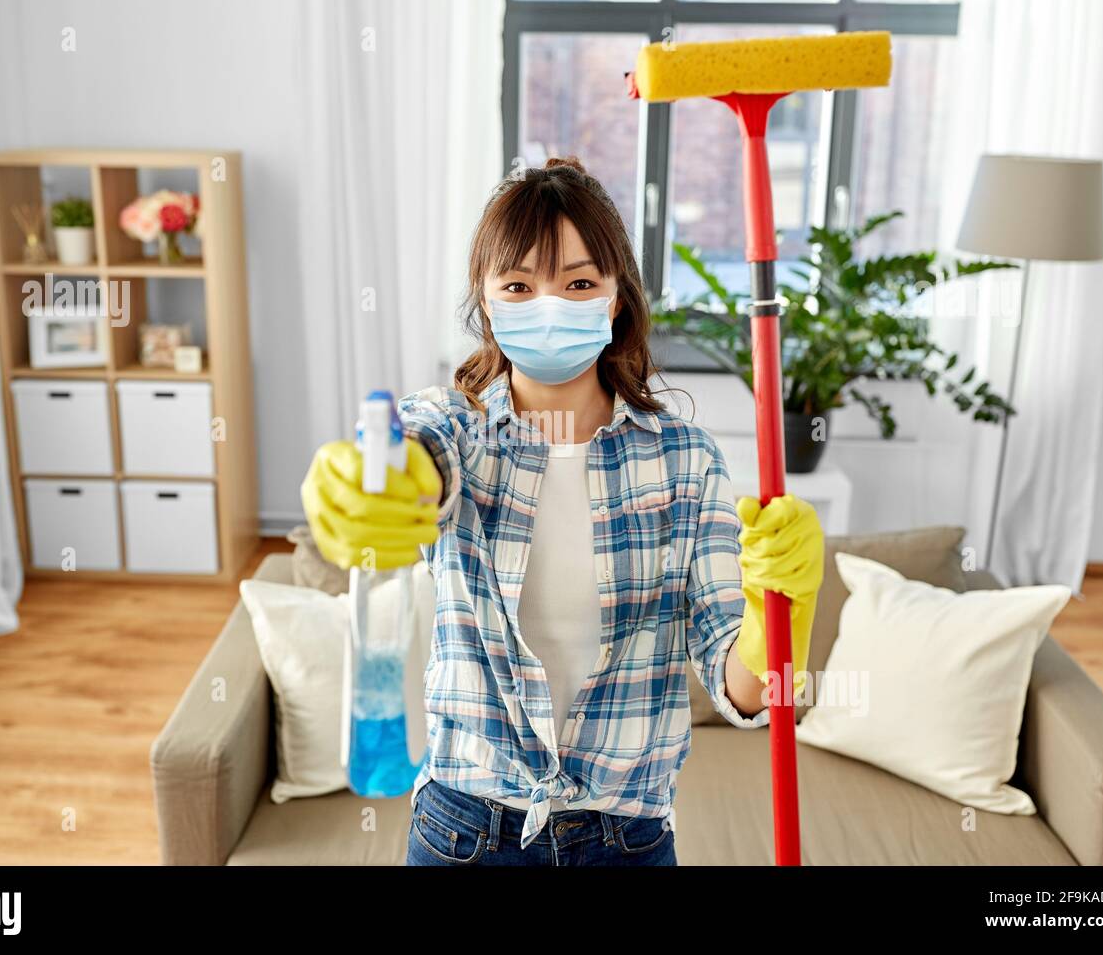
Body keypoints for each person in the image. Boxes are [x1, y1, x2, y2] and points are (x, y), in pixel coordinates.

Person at [302, 157, 823, 866]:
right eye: (518, 285)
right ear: (485, 302)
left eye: (578, 283)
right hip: (465, 832)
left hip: (628, 841)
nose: (549, 307)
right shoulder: (459, 429)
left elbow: (745, 688)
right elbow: (421, 456)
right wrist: (378, 481)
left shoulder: (685, 460)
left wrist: (777, 612)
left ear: (614, 298)